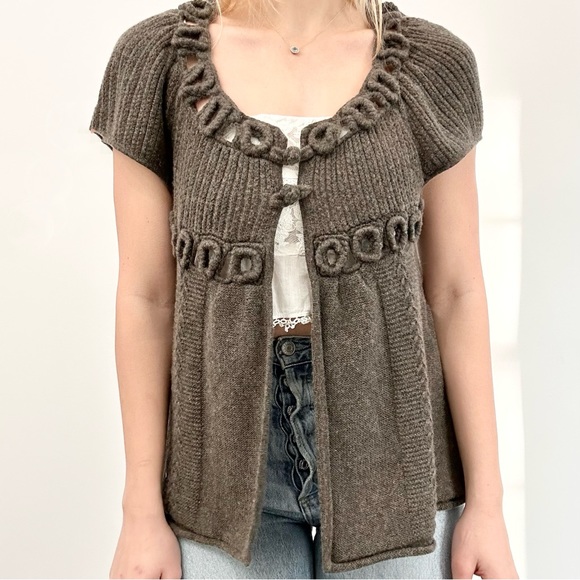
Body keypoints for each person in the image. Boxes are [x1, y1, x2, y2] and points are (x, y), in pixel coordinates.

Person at [89, 0, 519, 578]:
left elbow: (455, 291)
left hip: (399, 454)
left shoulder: (431, 65)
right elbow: (147, 298)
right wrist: (139, 511)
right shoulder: (157, 62)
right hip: (213, 462)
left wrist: (488, 504)